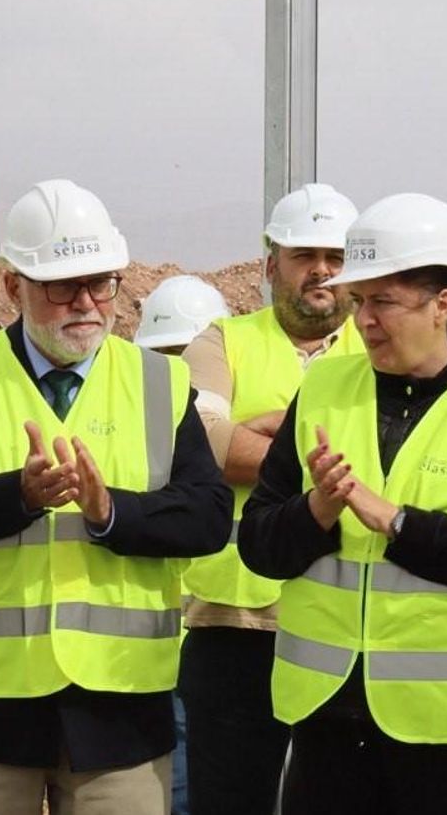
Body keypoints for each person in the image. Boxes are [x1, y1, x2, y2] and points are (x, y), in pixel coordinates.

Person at [0, 179, 231, 815]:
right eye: (62, 286)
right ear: (9, 284)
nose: (86, 303)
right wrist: (15, 497)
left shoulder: (160, 382)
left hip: (119, 711)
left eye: (101, 283)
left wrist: (110, 513)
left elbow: (208, 518)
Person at [238, 192, 447, 815]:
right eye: (360, 301)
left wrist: (396, 522)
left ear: (443, 304)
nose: (364, 320)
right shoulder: (324, 389)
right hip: (329, 719)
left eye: (383, 301)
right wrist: (318, 510)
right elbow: (258, 544)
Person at [177, 184, 364, 815]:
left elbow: (397, 465)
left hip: (346, 624)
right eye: (304, 254)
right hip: (232, 620)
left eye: (336, 257)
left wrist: (260, 438)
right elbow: (201, 445)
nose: (322, 271)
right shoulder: (220, 342)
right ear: (270, 265)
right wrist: (333, 469)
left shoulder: (379, 349)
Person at [132, 272, 230, 815]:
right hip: (145, 647)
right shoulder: (132, 422)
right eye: (167, 355)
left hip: (215, 634)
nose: (178, 371)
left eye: (187, 355)